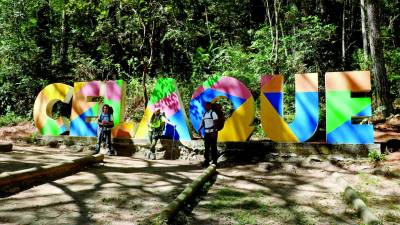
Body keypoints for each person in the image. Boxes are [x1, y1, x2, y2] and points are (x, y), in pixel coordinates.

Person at [198, 102, 218, 167]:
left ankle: (214, 162)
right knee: (206, 147)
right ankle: (206, 161)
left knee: (213, 147)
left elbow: (215, 123)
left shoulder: (213, 113)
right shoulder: (205, 114)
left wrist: (214, 132)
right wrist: (199, 129)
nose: (205, 107)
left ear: (210, 106)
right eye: (205, 106)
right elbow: (203, 123)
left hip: (212, 132)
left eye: (207, 106)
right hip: (206, 133)